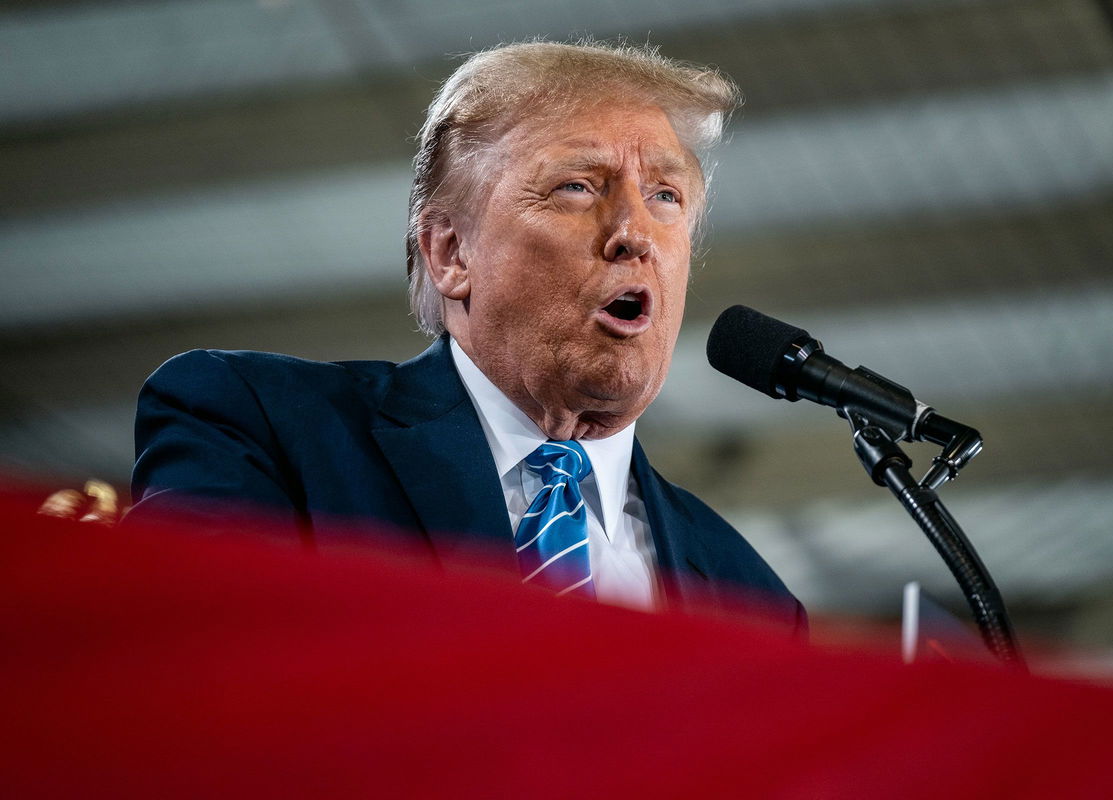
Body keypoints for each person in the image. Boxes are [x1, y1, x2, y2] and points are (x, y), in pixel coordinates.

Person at [130, 41, 804, 629]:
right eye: (576, 186)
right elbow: (187, 678)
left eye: (666, 196)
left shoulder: (752, 595)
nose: (634, 234)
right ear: (451, 253)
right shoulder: (260, 427)